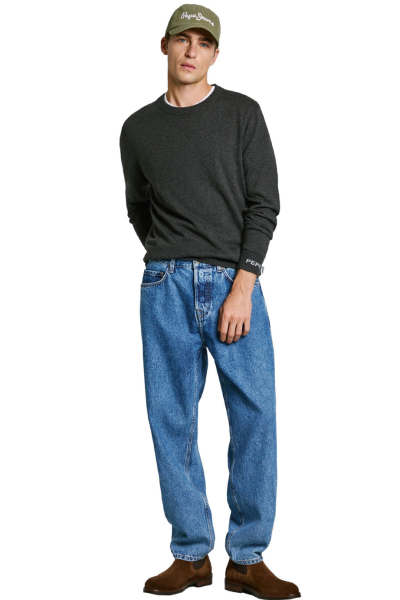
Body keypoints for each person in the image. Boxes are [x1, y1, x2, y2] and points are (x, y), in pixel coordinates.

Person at [119, 4, 301, 598]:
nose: (192, 50)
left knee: (255, 416)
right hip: (163, 285)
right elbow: (138, 207)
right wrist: (169, 258)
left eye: (203, 42)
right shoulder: (137, 128)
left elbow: (264, 204)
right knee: (170, 419)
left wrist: (242, 285)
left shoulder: (242, 114)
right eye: (183, 40)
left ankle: (246, 558)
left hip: (232, 283)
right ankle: (192, 553)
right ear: (165, 46)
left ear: (216, 53)